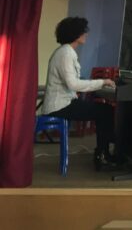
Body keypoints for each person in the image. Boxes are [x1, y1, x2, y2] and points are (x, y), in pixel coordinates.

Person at [40, 17, 117, 169]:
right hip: (59, 106)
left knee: (104, 109)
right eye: (84, 31)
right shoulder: (66, 54)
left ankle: (103, 153)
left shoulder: (66, 52)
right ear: (75, 34)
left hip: (64, 102)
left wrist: (99, 83)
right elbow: (73, 84)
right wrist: (102, 82)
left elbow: (72, 83)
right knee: (105, 111)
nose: (86, 34)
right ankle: (102, 156)